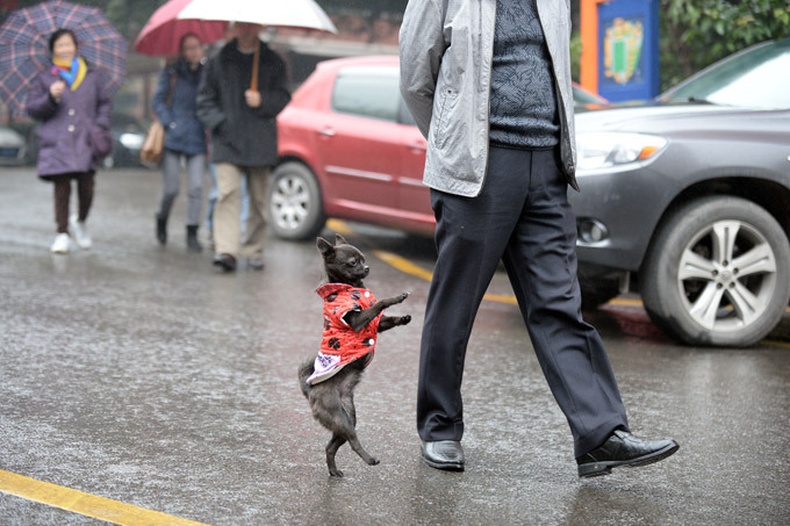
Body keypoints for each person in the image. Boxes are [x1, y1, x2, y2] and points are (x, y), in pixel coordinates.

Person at [399, 0, 679, 477]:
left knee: (559, 305)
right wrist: (453, 143)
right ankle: (440, 428)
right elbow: (414, 76)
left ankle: (599, 434)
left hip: (547, 165)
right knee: (456, 303)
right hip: (478, 169)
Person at [196, 22, 291, 272]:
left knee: (259, 199)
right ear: (235, 27)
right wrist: (221, 124)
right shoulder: (219, 60)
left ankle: (254, 249)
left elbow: (283, 97)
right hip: (227, 140)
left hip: (260, 141)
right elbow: (205, 99)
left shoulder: (273, 60)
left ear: (260, 28)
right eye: (243, 25)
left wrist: (263, 100)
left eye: (252, 26)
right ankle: (226, 250)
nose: (247, 29)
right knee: (227, 193)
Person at [26, 28, 111, 254]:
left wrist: (100, 125)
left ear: (76, 47)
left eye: (68, 44)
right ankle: (61, 233)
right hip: (59, 141)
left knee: (87, 187)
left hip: (86, 140)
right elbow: (33, 109)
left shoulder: (92, 75)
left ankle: (80, 221)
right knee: (61, 187)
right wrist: (50, 98)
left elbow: (104, 103)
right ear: (53, 49)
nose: (64, 49)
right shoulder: (45, 78)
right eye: (60, 45)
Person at [152, 33, 207, 252]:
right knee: (171, 188)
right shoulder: (172, 73)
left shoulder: (207, 73)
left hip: (197, 137)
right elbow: (157, 101)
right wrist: (169, 122)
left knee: (196, 187)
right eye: (189, 47)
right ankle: (161, 218)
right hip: (174, 137)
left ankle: (192, 232)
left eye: (197, 46)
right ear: (182, 51)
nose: (194, 51)